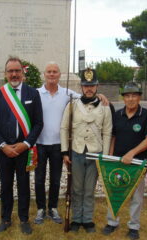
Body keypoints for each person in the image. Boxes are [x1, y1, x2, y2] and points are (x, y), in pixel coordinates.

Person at [33, 62, 110, 225]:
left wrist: (101, 95)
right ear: (44, 74)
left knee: (58, 180)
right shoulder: (36, 94)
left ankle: (61, 210)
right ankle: (44, 210)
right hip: (42, 143)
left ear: (60, 75)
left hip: (71, 147)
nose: (52, 74)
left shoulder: (68, 94)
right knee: (40, 179)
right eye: (49, 71)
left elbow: (90, 100)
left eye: (55, 71)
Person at [0, 56, 43, 235]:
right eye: (10, 71)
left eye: (17, 70)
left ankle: (24, 219)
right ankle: (5, 218)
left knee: (24, 185)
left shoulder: (32, 93)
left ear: (22, 72)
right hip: (4, 151)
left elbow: (38, 124)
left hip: (24, 150)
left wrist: (25, 144)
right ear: (5, 74)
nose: (14, 74)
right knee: (5, 185)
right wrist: (3, 145)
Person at [60, 68, 112, 233]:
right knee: (76, 189)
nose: (89, 89)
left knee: (89, 189)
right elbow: (64, 129)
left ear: (97, 86)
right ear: (81, 86)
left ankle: (87, 219)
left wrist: (104, 155)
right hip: (76, 151)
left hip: (95, 153)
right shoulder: (72, 105)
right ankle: (76, 219)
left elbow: (107, 132)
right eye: (85, 85)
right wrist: (64, 152)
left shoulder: (105, 107)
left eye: (92, 85)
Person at [101, 82, 147, 240]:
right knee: (114, 193)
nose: (131, 99)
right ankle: (112, 222)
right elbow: (113, 137)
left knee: (136, 197)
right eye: (127, 96)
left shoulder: (146, 115)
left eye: (134, 96)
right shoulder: (117, 115)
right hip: (117, 162)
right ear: (123, 98)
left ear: (139, 97)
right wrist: (110, 157)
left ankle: (133, 226)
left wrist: (132, 153)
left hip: (137, 163)